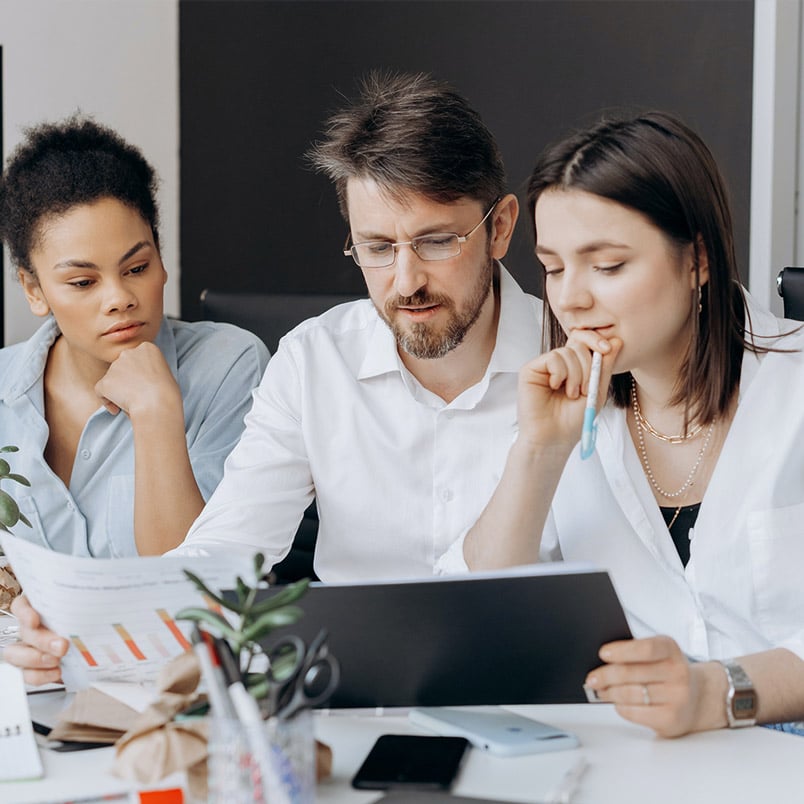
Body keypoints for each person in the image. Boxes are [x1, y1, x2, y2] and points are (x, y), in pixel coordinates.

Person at [9, 72, 542, 683]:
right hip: (353, 699)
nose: (405, 281)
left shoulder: (585, 365)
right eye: (375, 247)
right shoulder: (313, 360)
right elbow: (222, 556)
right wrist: (80, 630)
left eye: (436, 242)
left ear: (499, 228)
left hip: (543, 699)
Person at [450, 111, 804, 737]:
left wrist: (717, 691)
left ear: (697, 259)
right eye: (554, 268)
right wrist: (537, 452)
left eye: (607, 266)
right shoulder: (564, 412)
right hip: (640, 759)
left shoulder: (793, 388)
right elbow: (482, 611)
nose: (572, 299)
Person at [0, 116, 268, 558]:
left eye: (137, 269)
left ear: (161, 261)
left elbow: (189, 590)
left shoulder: (228, 366)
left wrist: (156, 412)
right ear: (34, 289)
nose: (119, 298)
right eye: (83, 282)